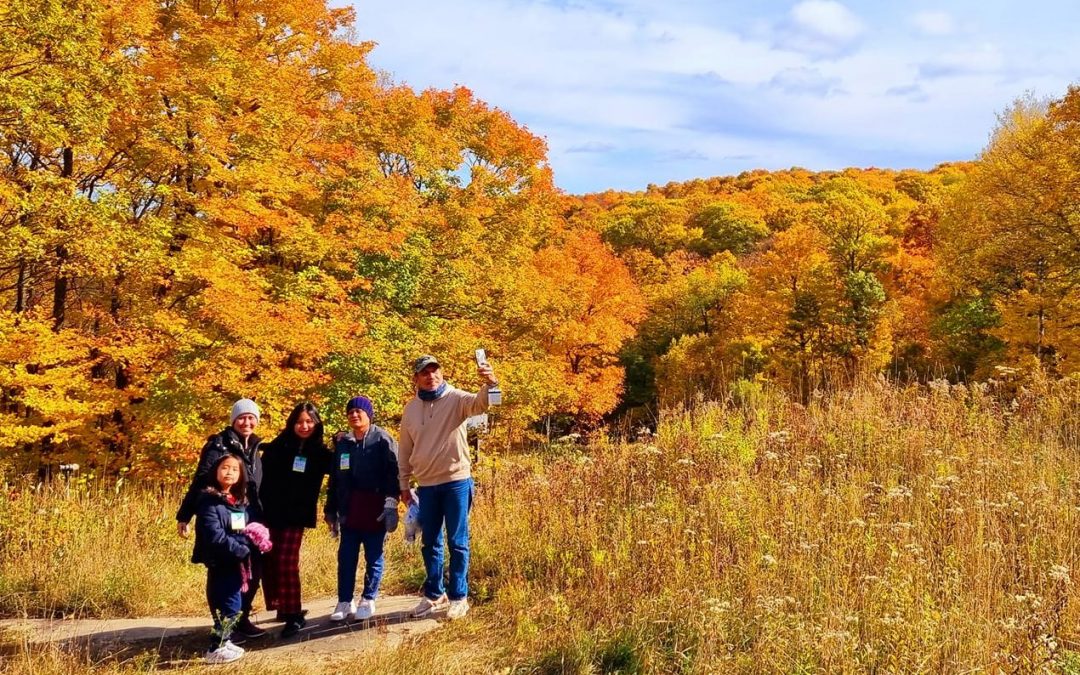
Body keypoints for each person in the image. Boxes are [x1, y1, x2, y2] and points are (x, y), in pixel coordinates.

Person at [399, 354, 497, 620]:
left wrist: (491, 383)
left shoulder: (456, 399)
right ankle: (434, 594)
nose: (431, 376)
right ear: (416, 378)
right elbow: (405, 449)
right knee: (430, 541)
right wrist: (404, 483)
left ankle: (458, 596)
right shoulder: (410, 409)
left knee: (457, 541)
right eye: (424, 372)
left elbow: (483, 404)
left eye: (435, 370)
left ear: (441, 373)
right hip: (427, 485)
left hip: (456, 481)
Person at [177, 398, 267, 639]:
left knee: (251, 572)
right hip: (219, 516)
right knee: (223, 572)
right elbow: (200, 481)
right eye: (242, 417)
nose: (247, 422)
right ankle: (223, 626)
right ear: (233, 420)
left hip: (249, 519)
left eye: (251, 418)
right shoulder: (218, 446)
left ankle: (241, 618)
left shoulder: (256, 447)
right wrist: (185, 516)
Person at [258, 401, 330, 638]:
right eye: (299, 421)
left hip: (296, 515)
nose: (304, 426)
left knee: (287, 562)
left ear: (317, 424)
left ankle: (294, 613)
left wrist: (344, 441)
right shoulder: (279, 445)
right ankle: (281, 606)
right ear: (292, 423)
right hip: (270, 512)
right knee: (269, 562)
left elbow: (341, 469)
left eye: (309, 421)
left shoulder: (320, 452)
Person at [324, 396, 399, 622]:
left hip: (375, 506)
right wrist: (331, 509)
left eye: (359, 411)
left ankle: (369, 597)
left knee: (374, 555)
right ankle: (345, 600)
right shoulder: (343, 443)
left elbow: (394, 472)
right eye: (351, 412)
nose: (354, 415)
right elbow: (335, 479)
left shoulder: (383, 439)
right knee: (346, 555)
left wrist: (391, 502)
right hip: (349, 507)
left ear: (369, 414)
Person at [191, 454, 255, 664]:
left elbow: (242, 530)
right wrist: (241, 549)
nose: (229, 472)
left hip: (235, 561)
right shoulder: (210, 501)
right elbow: (215, 536)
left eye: (234, 469)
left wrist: (252, 540)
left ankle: (224, 641)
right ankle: (216, 647)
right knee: (227, 603)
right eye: (225, 468)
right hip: (221, 561)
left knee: (233, 603)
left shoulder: (237, 501)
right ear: (216, 472)